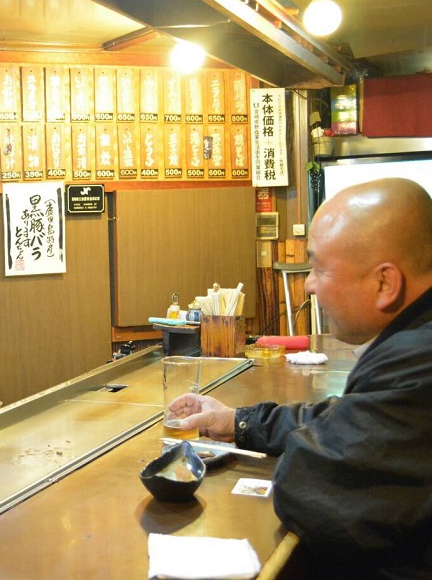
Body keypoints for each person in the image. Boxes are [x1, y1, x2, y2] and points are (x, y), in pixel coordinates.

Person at [170, 177, 432, 578]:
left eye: (319, 268)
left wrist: (310, 449)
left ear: (385, 283)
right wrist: (240, 422)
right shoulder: (410, 344)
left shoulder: (418, 361)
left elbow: (313, 488)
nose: (308, 283)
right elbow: (346, 419)